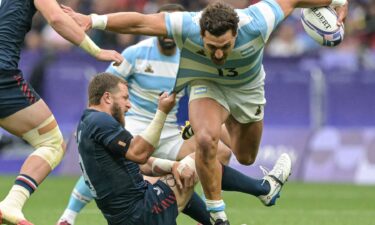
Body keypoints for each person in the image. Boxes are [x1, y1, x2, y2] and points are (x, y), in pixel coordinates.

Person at [62, 0, 347, 222]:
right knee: (205, 140)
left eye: (225, 46)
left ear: (237, 33)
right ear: (201, 34)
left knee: (243, 155)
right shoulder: (186, 25)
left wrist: (337, 2)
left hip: (247, 91)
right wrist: (93, 20)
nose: (219, 54)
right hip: (205, 85)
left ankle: (265, 188)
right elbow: (141, 22)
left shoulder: (260, 21)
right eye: (212, 47)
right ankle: (217, 215)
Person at [57, 4, 232, 225]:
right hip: (138, 126)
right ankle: (69, 215)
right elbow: (106, 85)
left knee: (218, 153)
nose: (127, 103)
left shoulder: (187, 58)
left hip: (166, 131)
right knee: (196, 160)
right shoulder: (136, 53)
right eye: (124, 98)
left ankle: (216, 217)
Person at [74, 72, 292, 225]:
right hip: (142, 213)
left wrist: (173, 165)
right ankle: (264, 189)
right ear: (107, 97)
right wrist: (162, 112)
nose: (129, 105)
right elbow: (139, 153)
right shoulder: (100, 123)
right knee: (201, 157)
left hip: (127, 215)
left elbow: (141, 163)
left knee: (179, 172)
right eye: (125, 98)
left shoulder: (87, 124)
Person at [0, 0, 123, 224]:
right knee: (52, 142)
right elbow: (56, 18)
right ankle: (12, 204)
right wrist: (96, 50)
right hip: (2, 76)